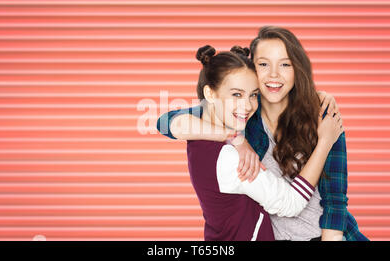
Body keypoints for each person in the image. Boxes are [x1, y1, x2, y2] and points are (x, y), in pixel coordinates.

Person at [157, 26, 368, 241]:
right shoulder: (240, 114)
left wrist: (325, 139)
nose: (274, 74)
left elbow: (335, 202)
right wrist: (235, 137)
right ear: (251, 69)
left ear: (297, 69)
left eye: (285, 64)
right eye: (264, 64)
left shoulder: (322, 116)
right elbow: (165, 123)